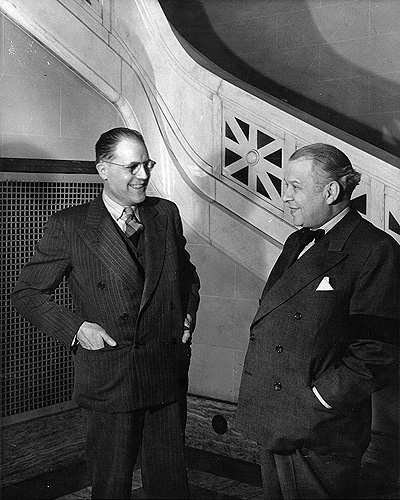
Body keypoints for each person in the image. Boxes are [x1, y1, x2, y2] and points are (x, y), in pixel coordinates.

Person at [11, 127, 200, 499]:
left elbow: (188, 275)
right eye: (133, 167)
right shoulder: (71, 225)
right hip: (111, 377)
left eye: (147, 164)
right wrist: (77, 328)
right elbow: (27, 293)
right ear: (103, 169)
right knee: (111, 488)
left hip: (164, 370)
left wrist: (187, 315)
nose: (144, 175)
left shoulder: (165, 213)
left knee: (171, 488)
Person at [235, 143, 400, 499]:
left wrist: (319, 400)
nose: (285, 197)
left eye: (295, 186)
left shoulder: (376, 250)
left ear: (331, 191)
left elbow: (378, 350)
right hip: (277, 418)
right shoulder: (297, 240)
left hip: (320, 431)